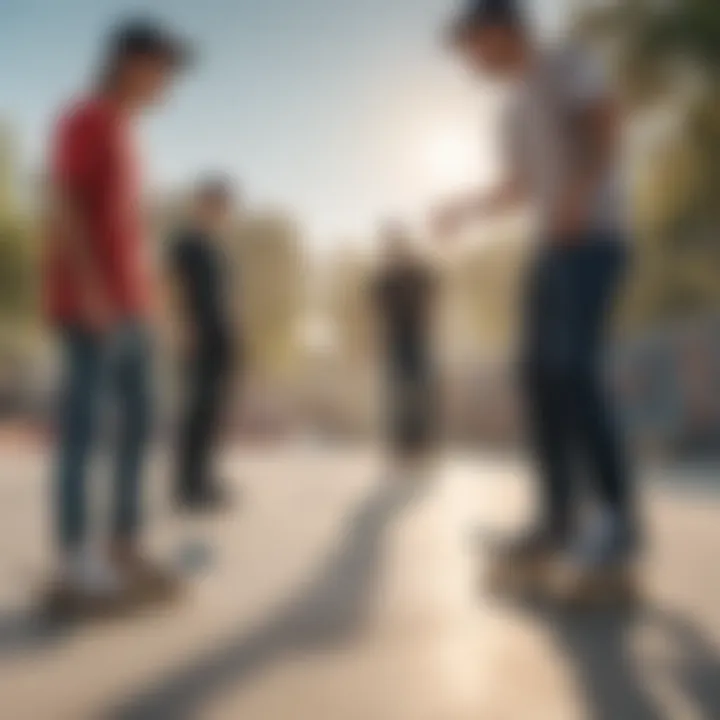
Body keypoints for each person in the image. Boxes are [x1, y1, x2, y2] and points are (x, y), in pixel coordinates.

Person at [434, 0, 636, 601]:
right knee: (538, 377)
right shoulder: (513, 108)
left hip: (594, 239)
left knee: (573, 370)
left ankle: (617, 526)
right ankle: (557, 522)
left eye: (474, 47)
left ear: (502, 31)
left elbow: (604, 121)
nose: (472, 61)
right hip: (548, 251)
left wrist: (578, 191)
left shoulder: (565, 63)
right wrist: (465, 209)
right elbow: (518, 187)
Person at [43, 19, 193, 613]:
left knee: (140, 426)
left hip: (133, 309)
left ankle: (123, 545)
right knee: (83, 431)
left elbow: (135, 234)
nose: (168, 85)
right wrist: (89, 289)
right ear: (132, 63)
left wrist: (160, 308)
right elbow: (64, 202)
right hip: (92, 308)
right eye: (164, 70)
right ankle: (76, 556)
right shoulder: (84, 117)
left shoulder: (130, 134)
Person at [167, 177, 240, 511]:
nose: (220, 212)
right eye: (215, 204)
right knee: (195, 410)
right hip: (197, 336)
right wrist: (181, 326)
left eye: (224, 207)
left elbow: (227, 298)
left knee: (214, 412)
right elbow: (173, 287)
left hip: (221, 337)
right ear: (200, 204)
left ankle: (206, 479)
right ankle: (187, 486)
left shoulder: (218, 248)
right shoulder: (186, 243)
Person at [372, 223, 438, 473]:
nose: (393, 250)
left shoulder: (421, 273)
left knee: (419, 394)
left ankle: (420, 448)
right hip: (395, 341)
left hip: (419, 339)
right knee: (398, 395)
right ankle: (401, 449)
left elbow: (433, 295)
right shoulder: (385, 279)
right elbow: (377, 306)